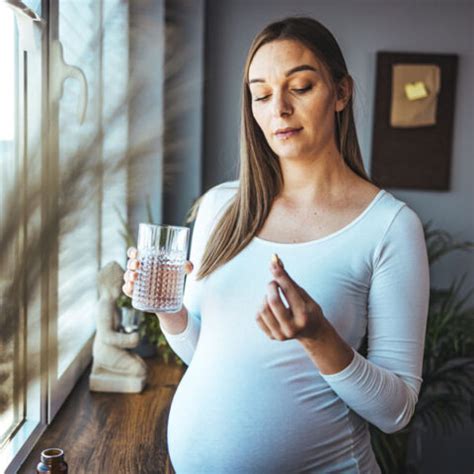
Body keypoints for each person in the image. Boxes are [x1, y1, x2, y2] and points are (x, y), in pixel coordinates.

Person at [122, 16, 430, 474]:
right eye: (261, 95)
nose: (278, 109)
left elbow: (396, 412)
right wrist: (169, 309)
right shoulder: (220, 207)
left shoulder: (388, 227)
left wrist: (318, 337)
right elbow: (208, 355)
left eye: (300, 87)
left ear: (341, 93)